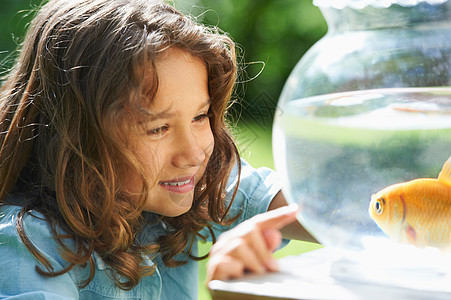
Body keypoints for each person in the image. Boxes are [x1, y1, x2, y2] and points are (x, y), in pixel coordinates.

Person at [0, 0, 317, 299]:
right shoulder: (27, 245)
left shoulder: (193, 183)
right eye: (158, 128)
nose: (193, 155)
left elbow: (327, 210)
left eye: (199, 116)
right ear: (76, 138)